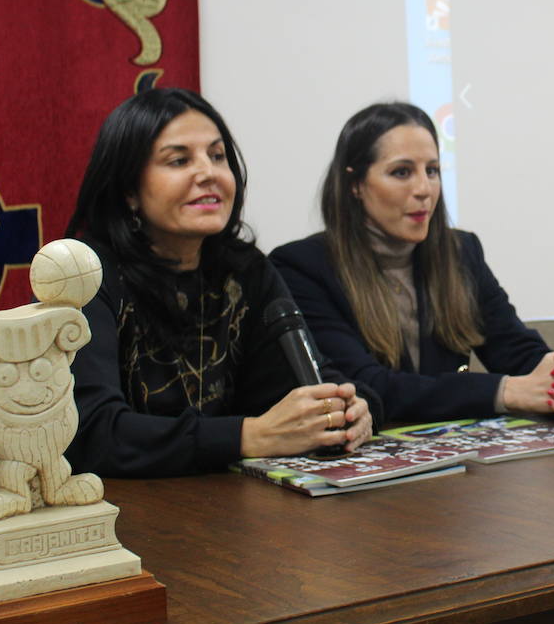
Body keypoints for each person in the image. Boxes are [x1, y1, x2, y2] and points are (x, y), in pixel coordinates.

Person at [64, 88, 378, 477]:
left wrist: (349, 407)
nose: (208, 174)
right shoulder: (83, 275)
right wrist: (248, 436)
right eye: (179, 160)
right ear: (129, 190)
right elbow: (91, 434)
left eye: (217, 156)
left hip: (225, 509)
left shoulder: (244, 270)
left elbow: (301, 380)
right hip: (113, 517)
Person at [269, 102, 554, 423]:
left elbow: (513, 347)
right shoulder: (301, 268)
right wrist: (505, 391)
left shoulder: (461, 251)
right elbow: (364, 387)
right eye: (401, 172)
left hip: (459, 466)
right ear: (355, 183)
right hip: (368, 465)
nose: (424, 189)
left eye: (432, 171)